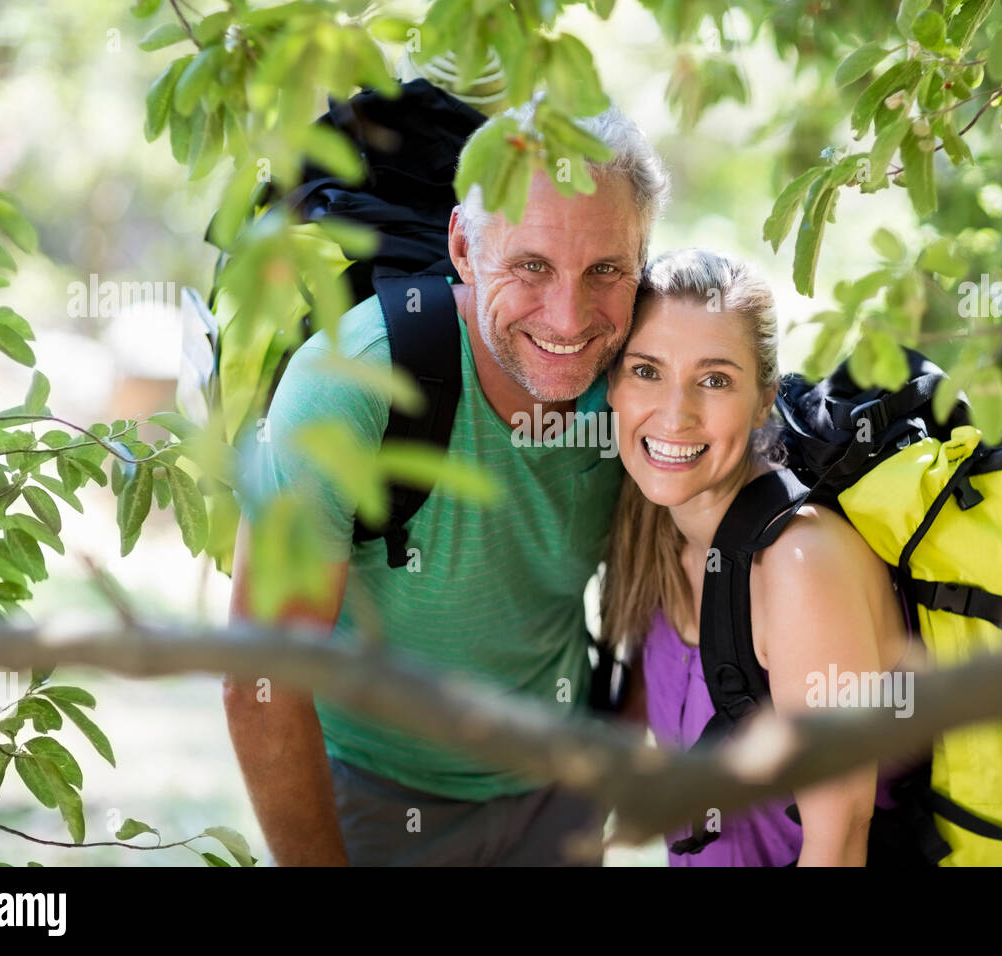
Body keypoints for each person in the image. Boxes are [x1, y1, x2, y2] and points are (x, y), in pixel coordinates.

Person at [224, 102, 669, 866]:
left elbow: (681, 565)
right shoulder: (352, 382)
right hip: (374, 793)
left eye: (606, 270)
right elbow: (261, 679)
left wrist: (617, 746)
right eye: (530, 265)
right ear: (463, 246)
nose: (568, 317)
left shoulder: (653, 377)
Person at [602, 248, 909, 866]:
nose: (675, 412)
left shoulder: (799, 564)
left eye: (715, 379)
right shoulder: (653, 534)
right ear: (612, 383)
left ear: (764, 398)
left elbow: (840, 840)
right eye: (646, 371)